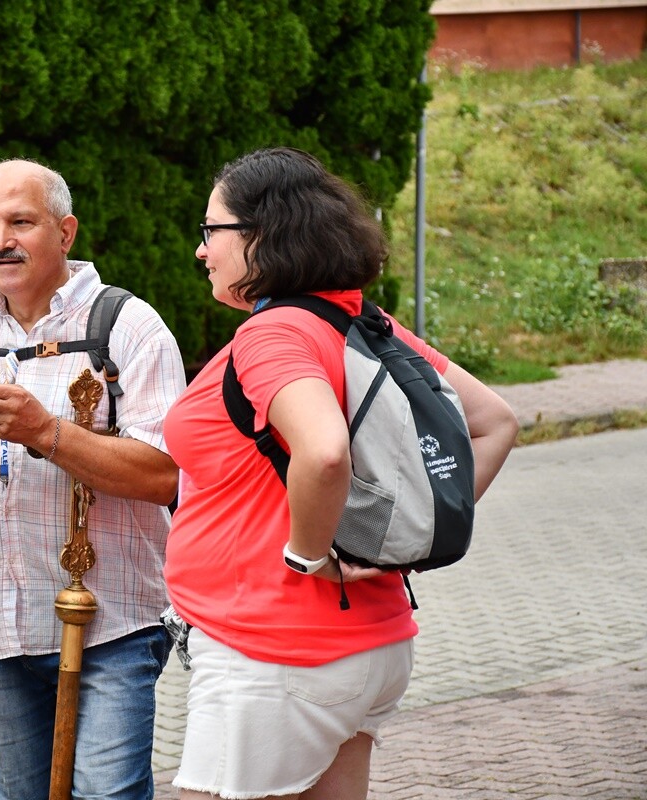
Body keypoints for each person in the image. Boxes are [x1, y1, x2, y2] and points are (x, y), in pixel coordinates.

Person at [162, 147, 519, 800]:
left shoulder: (273, 336)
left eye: (211, 230)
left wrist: (307, 557)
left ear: (261, 235)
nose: (200, 250)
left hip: (277, 653)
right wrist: (404, 543)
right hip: (370, 646)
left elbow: (325, 451)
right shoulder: (362, 321)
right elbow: (495, 422)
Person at [0, 158, 187, 799]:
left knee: (104, 795)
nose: (0, 240)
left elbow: (165, 473)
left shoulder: (128, 327)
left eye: (20, 222)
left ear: (66, 231)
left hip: (116, 622)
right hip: (1, 625)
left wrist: (45, 432)